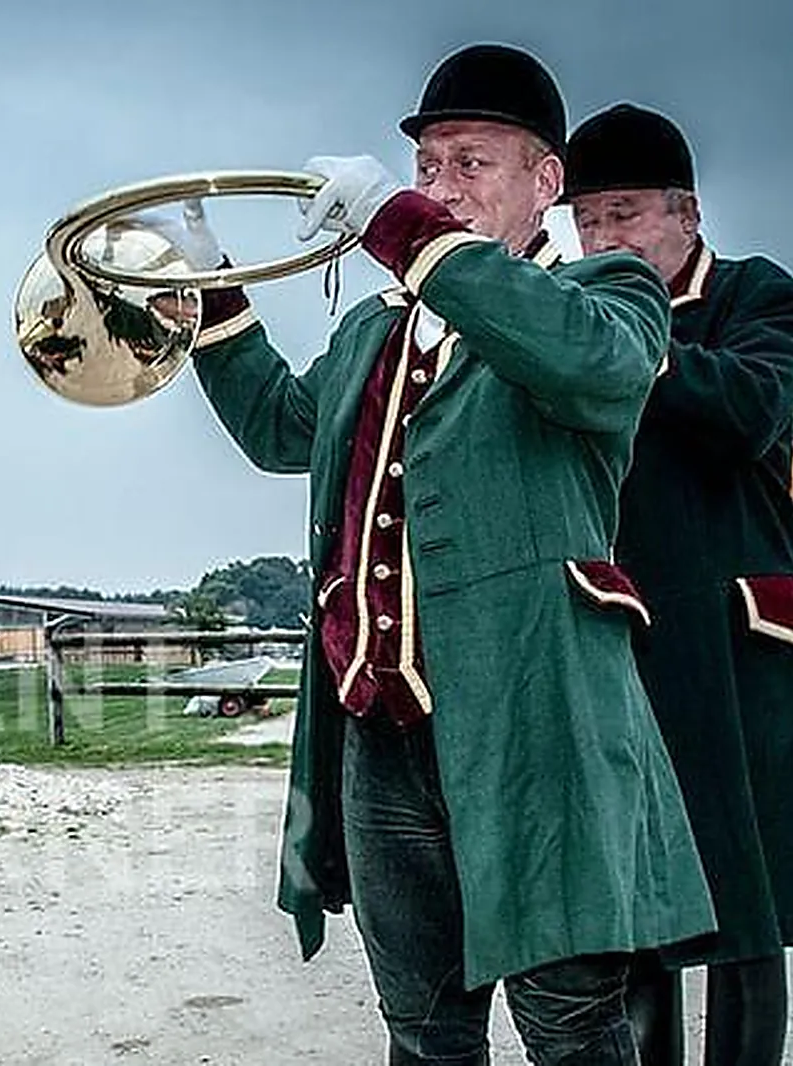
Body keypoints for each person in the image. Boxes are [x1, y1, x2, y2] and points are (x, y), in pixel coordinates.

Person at [141, 44, 716, 1064]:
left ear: (545, 184)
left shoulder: (607, 293)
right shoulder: (374, 329)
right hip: (382, 730)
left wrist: (404, 233)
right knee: (422, 1029)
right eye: (425, 168)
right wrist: (210, 291)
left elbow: (589, 364)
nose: (441, 186)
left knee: (569, 1023)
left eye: (471, 164)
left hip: (539, 723)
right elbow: (282, 427)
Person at [565, 103, 793, 1066]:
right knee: (636, 894)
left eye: (623, 216)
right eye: (586, 221)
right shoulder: (566, 315)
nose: (602, 238)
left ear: (686, 213)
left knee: (748, 903)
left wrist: (626, 342)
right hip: (621, 633)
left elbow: (752, 408)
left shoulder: (757, 294)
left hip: (738, 645)